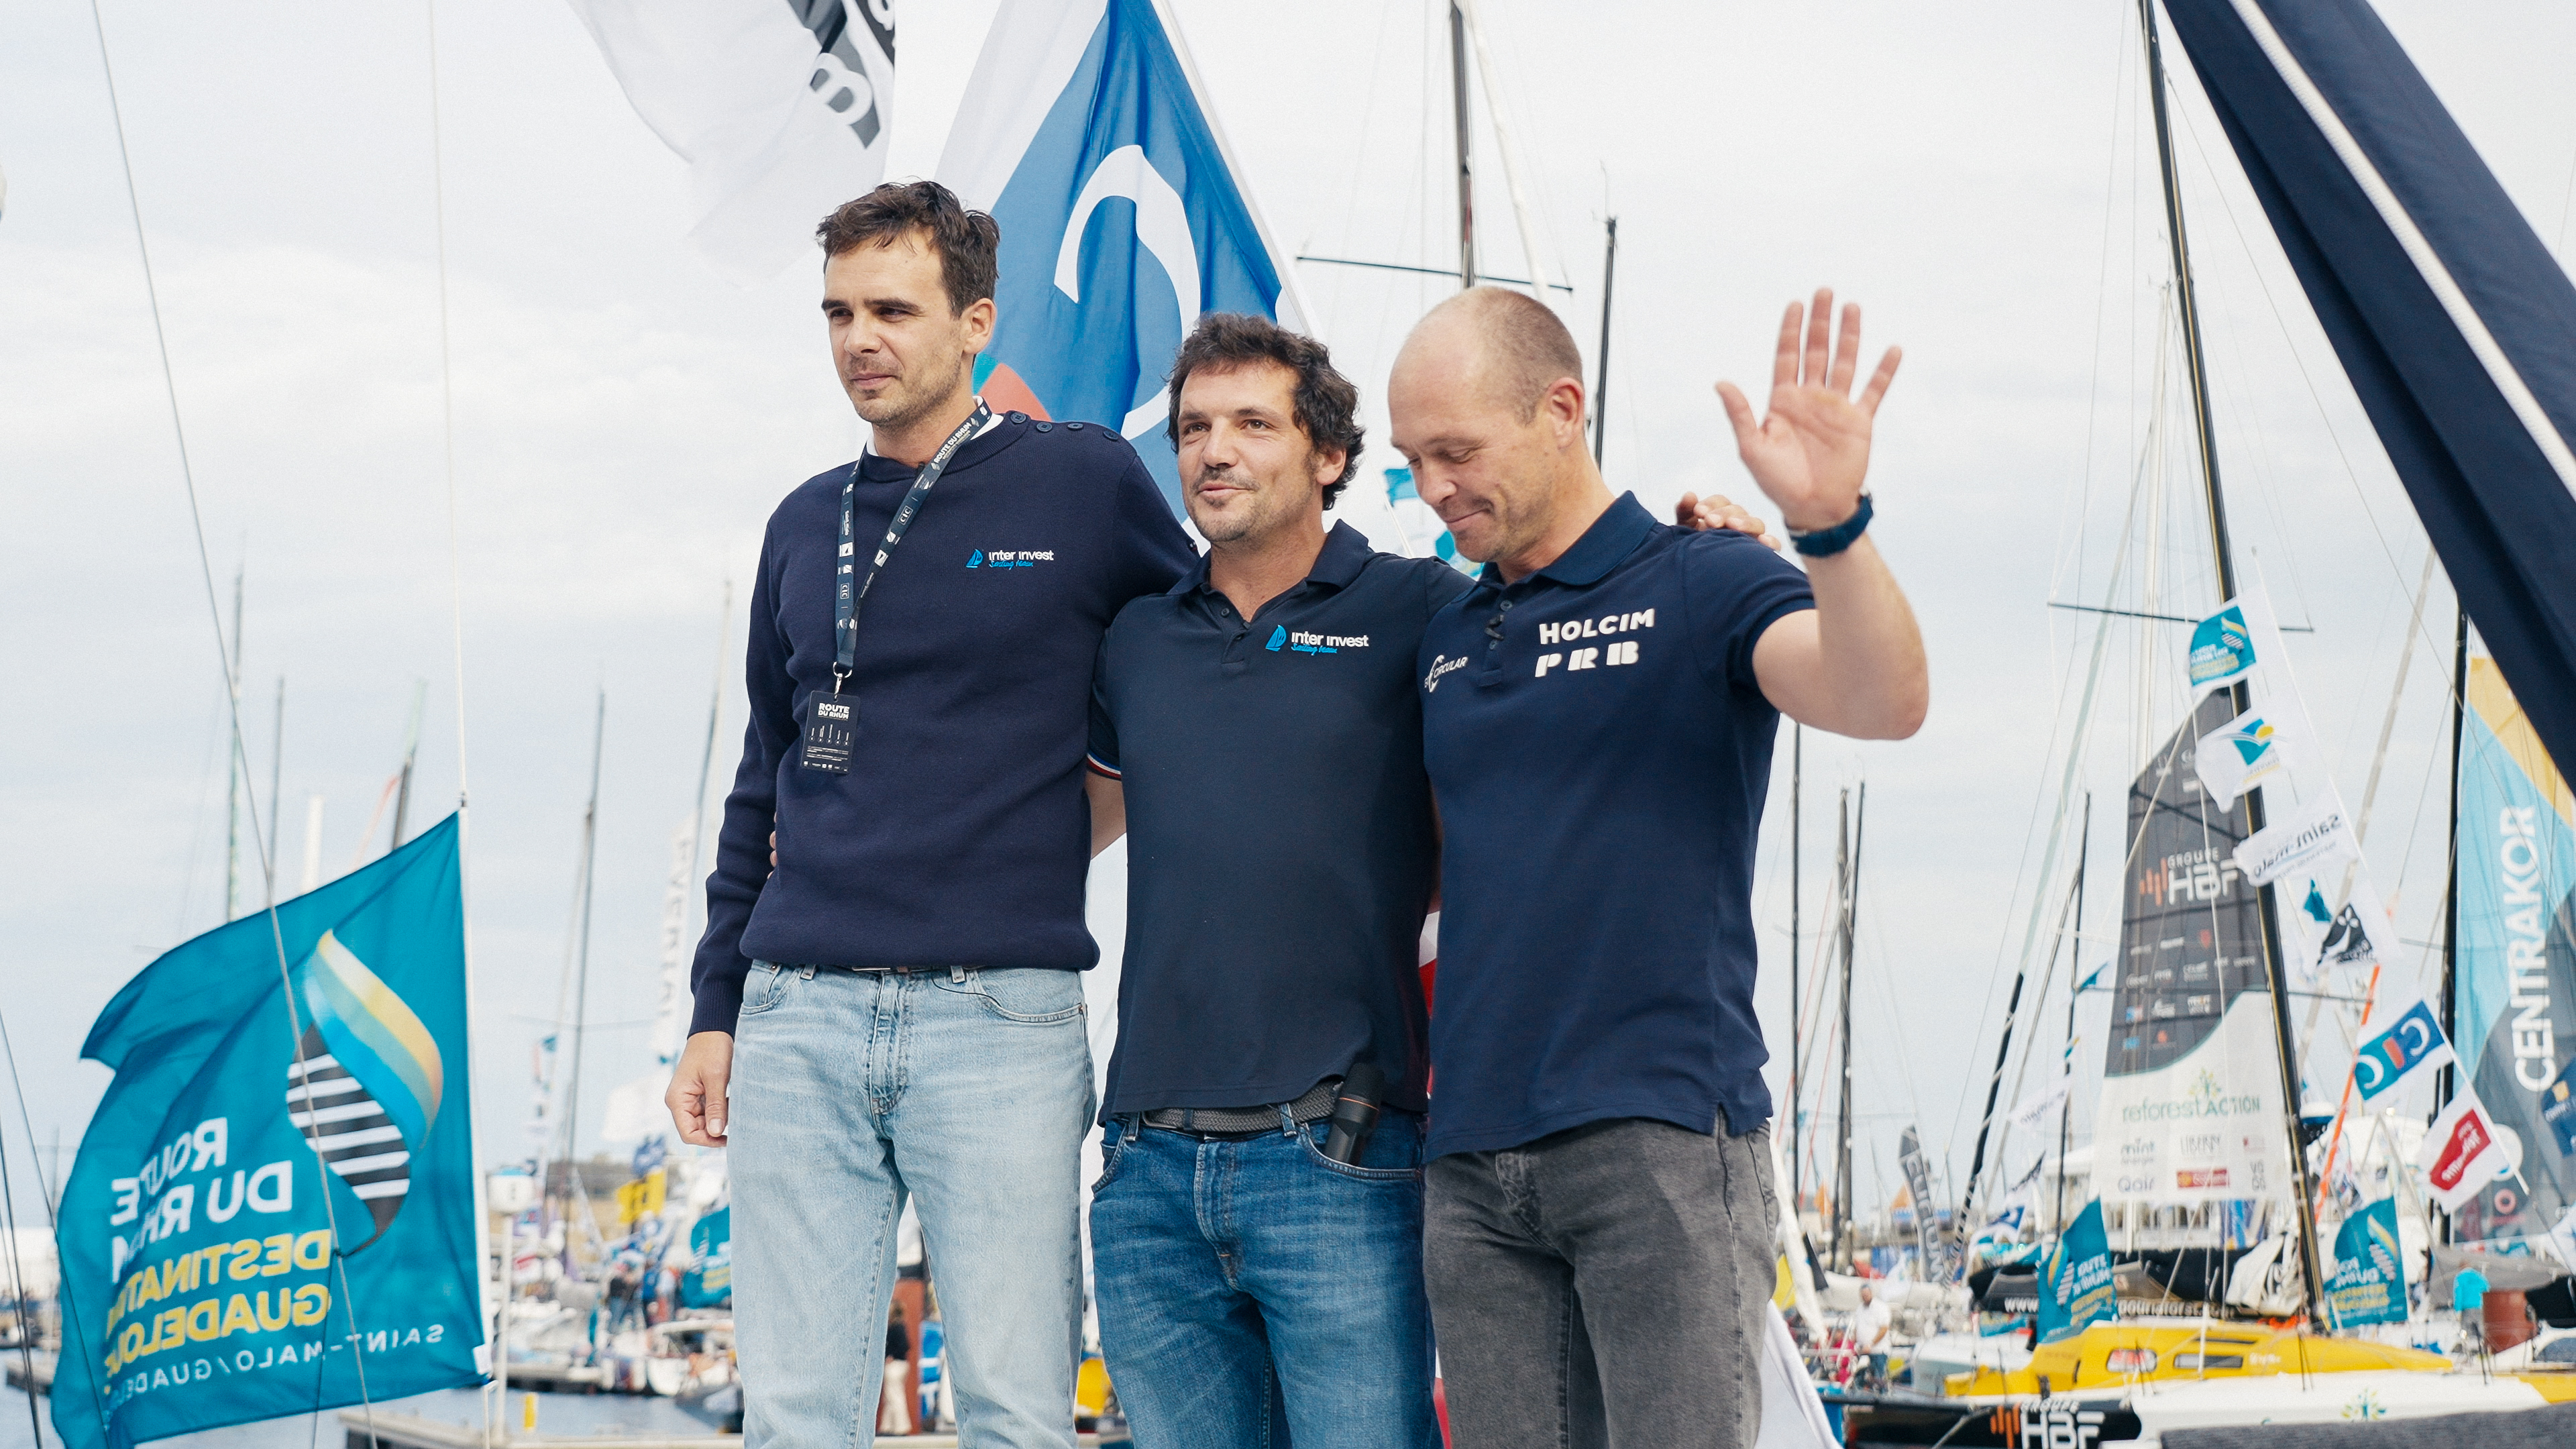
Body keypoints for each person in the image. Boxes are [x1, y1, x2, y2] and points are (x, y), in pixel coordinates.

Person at [664, 179, 1197, 1448]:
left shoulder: (1083, 482)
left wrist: (1091, 815)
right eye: (840, 311)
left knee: (1015, 1409)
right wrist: (714, 1010)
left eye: (893, 309)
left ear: (975, 324)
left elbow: (1204, 658)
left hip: (998, 1017)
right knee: (798, 1417)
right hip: (796, 1013)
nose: (861, 338)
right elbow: (765, 774)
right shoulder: (802, 525)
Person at [1391, 286, 1928, 1448]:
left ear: (1560, 409)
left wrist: (1832, 529)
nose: (1432, 488)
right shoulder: (1444, 636)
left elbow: (1883, 702)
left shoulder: (1705, 579)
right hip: (1474, 1161)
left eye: (1456, 452)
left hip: (1662, 1142)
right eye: (1413, 459)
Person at [1082, 313, 1461, 1448]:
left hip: (1339, 1156)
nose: (1214, 451)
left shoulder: (1422, 610)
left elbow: (1508, 820)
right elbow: (1060, 832)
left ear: (1330, 455)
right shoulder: (1138, 639)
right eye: (1195, 427)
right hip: (1145, 1167)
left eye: (1253, 424)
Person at [1852, 1282, 1891, 1389]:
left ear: (1871, 1293)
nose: (1865, 1297)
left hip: (1878, 1351)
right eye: (1863, 1295)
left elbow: (1884, 1329)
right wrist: (1855, 1343)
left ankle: (1881, 1400)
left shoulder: (1881, 1307)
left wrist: (1871, 1344)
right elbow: (1856, 1327)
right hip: (1862, 1351)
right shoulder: (1860, 1308)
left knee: (1878, 1380)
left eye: (1867, 1294)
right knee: (1859, 1378)